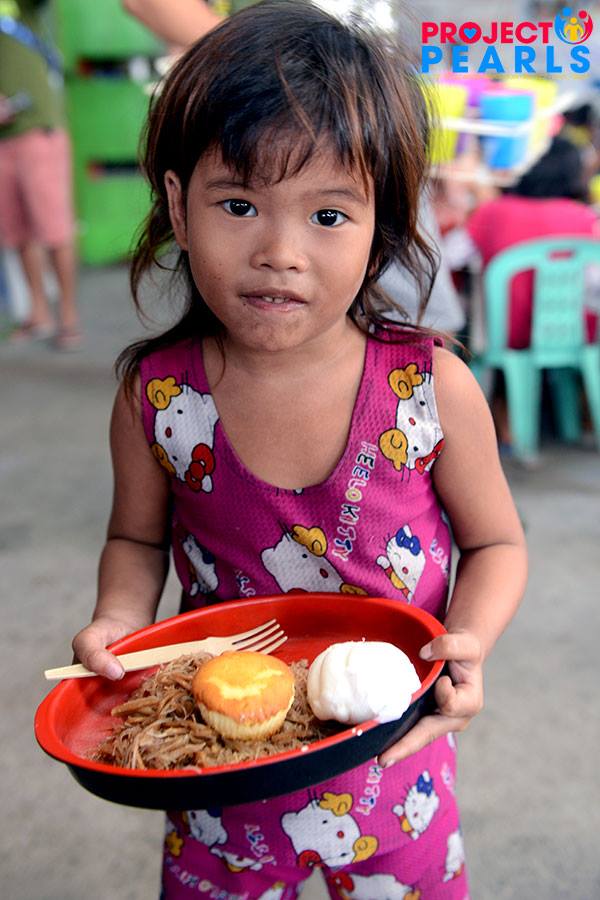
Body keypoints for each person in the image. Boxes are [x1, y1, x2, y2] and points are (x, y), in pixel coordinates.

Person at [71, 3, 527, 897]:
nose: (280, 252)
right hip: (219, 769)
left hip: (396, 767)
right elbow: (134, 538)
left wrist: (468, 642)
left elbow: (497, 542)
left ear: (381, 225)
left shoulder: (429, 388)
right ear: (178, 207)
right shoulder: (159, 398)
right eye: (239, 205)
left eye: (327, 214)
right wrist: (119, 617)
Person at [0, 0, 81, 349]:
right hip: (3, 141)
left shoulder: (23, 8)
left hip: (37, 131)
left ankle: (68, 317)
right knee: (17, 231)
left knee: (54, 229)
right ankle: (39, 313)